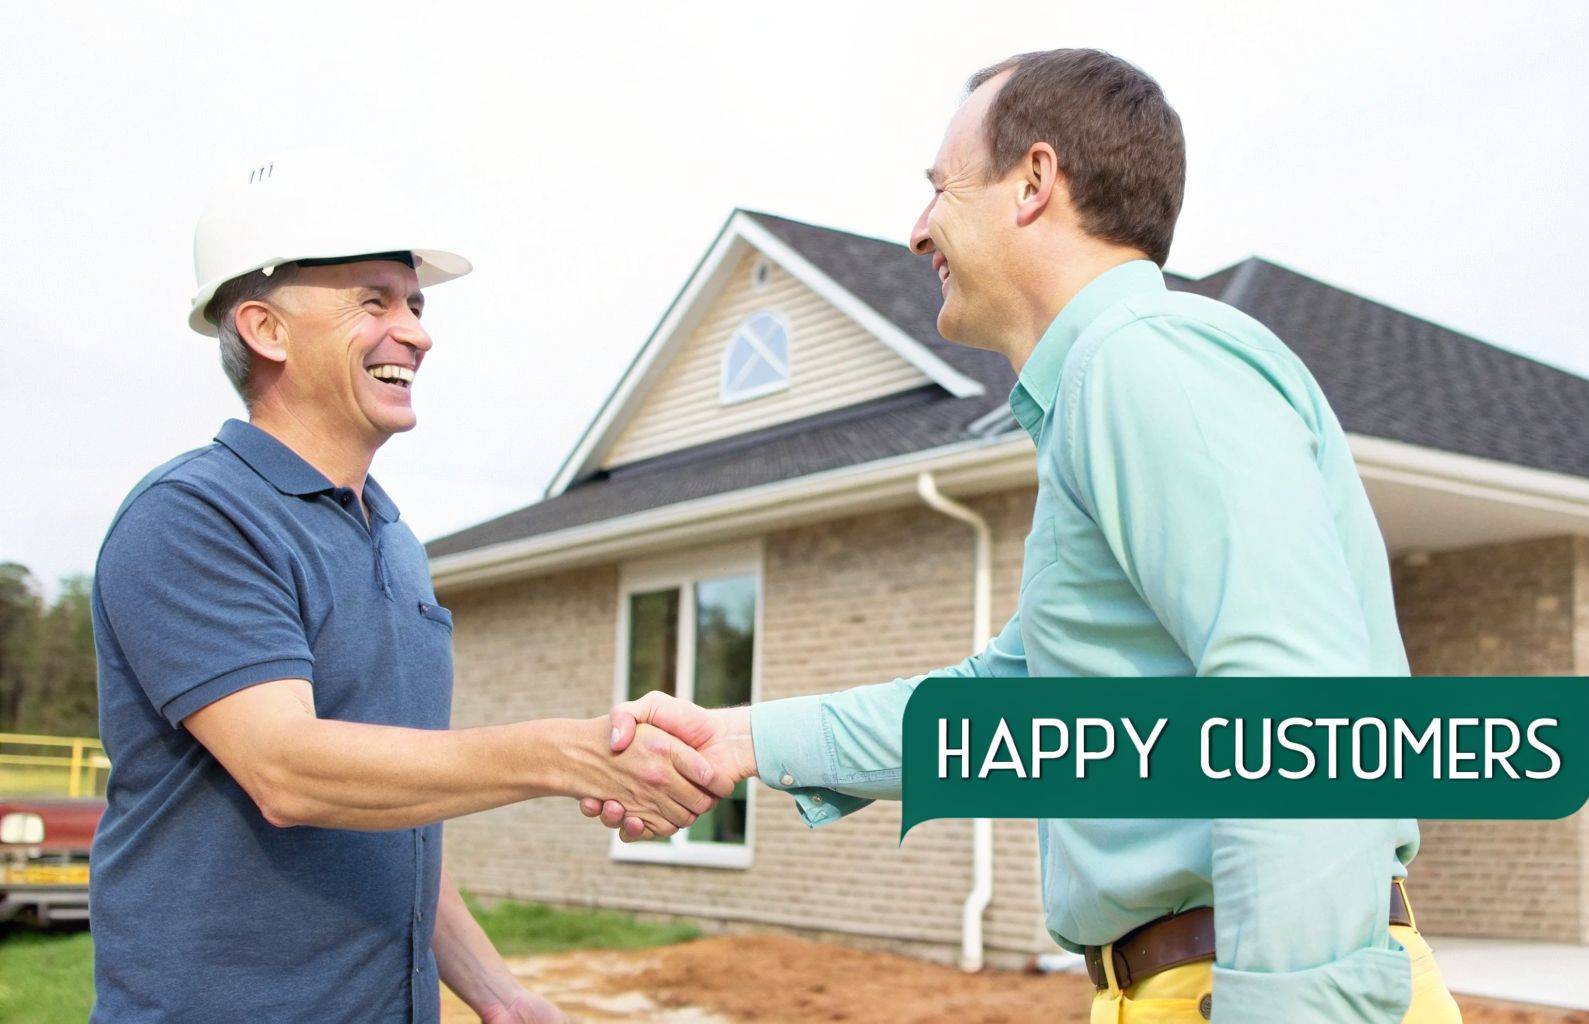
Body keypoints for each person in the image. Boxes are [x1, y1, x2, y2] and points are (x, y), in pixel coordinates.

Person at [593, 50, 1463, 1023]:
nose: (915, 227)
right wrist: (742, 739)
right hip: (1176, 985)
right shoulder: (1106, 389)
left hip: (1257, 984)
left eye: (937, 190)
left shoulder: (1147, 364)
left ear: (1034, 182)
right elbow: (1020, 701)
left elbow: (1298, 702)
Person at [89, 151, 731, 1024]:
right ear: (265, 330)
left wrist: (498, 995)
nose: (418, 333)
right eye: (374, 302)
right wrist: (562, 752)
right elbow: (289, 770)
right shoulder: (195, 517)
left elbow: (392, 816)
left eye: (417, 305)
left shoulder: (393, 543)